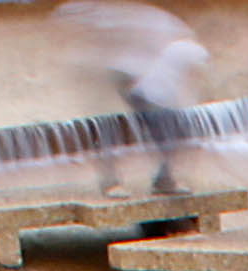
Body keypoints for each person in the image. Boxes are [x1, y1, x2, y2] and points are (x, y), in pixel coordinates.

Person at [54, 1, 211, 191]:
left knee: (167, 132)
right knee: (109, 130)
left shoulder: (159, 21)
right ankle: (114, 183)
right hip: (117, 80)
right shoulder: (109, 14)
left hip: (141, 86)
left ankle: (163, 179)